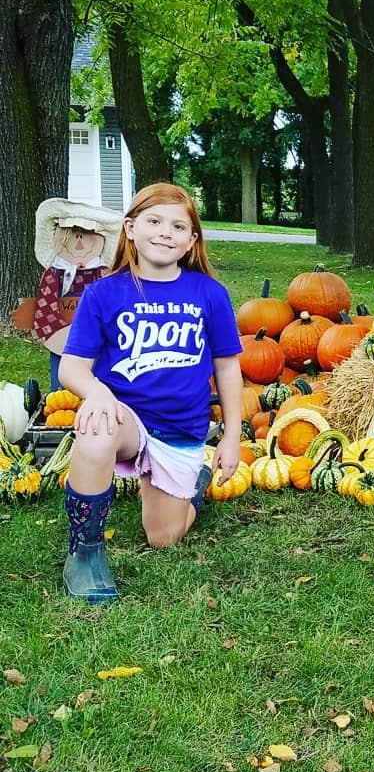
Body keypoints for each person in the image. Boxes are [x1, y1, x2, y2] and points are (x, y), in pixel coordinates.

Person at [58, 183, 243, 602]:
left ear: (192, 240)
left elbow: (228, 367)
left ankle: (193, 483)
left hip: (180, 428)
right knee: (96, 427)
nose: (165, 232)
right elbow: (71, 367)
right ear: (130, 228)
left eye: (179, 226)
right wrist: (99, 394)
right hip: (127, 418)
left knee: (164, 538)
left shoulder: (208, 293)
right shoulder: (104, 293)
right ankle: (84, 553)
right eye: (154, 221)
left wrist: (231, 436)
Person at [9, 199, 122, 391]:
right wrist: (58, 334)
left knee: (98, 375)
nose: (79, 241)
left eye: (86, 234)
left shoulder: (103, 275)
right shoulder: (54, 274)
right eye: (72, 235)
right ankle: (60, 400)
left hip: (97, 340)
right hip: (60, 338)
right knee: (61, 379)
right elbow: (46, 305)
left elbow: (111, 304)